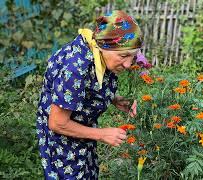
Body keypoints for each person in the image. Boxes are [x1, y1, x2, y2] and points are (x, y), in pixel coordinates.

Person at [36, 10, 144, 179]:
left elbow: (87, 86)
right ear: (104, 46)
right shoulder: (75, 68)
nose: (129, 64)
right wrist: (103, 134)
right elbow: (57, 123)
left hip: (84, 131)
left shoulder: (99, 53)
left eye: (133, 57)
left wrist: (113, 99)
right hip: (63, 142)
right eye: (123, 56)